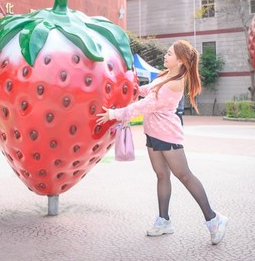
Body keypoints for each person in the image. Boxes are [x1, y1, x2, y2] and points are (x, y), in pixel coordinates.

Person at [96, 40, 228, 245]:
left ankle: (213, 219)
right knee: (161, 175)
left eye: (169, 53)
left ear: (181, 61)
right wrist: (128, 85)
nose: (165, 56)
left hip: (168, 135)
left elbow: (147, 105)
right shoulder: (166, 75)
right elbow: (147, 91)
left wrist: (115, 113)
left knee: (184, 175)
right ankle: (164, 220)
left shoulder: (175, 82)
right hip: (153, 133)